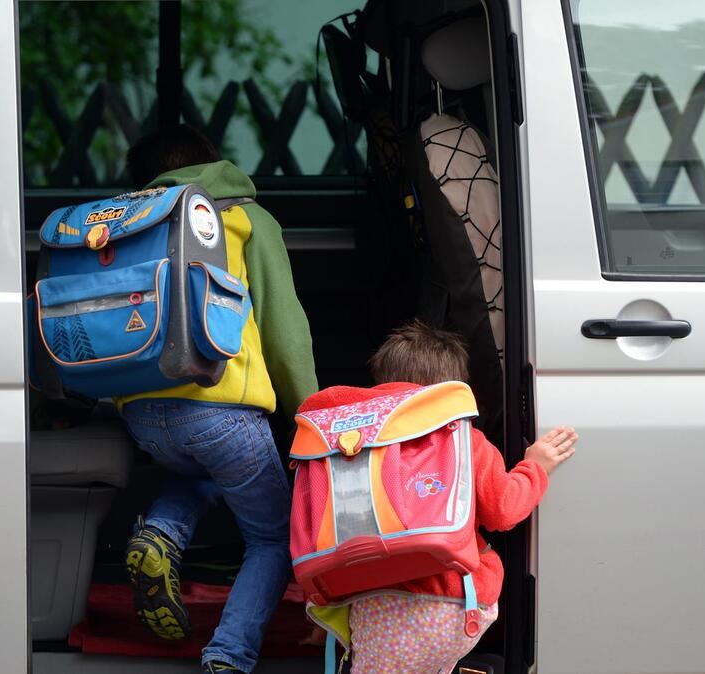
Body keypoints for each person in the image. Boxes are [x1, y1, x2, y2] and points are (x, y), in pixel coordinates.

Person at [116, 125, 318, 674]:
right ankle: (229, 656)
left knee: (200, 471)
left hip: (142, 415)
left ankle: (159, 534)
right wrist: (315, 415)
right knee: (273, 538)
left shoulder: (126, 220)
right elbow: (284, 329)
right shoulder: (242, 218)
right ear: (213, 163)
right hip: (221, 409)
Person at [297, 321, 576, 673]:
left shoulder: (353, 449)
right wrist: (534, 467)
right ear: (452, 391)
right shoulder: (464, 442)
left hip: (370, 608)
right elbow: (503, 510)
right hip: (453, 604)